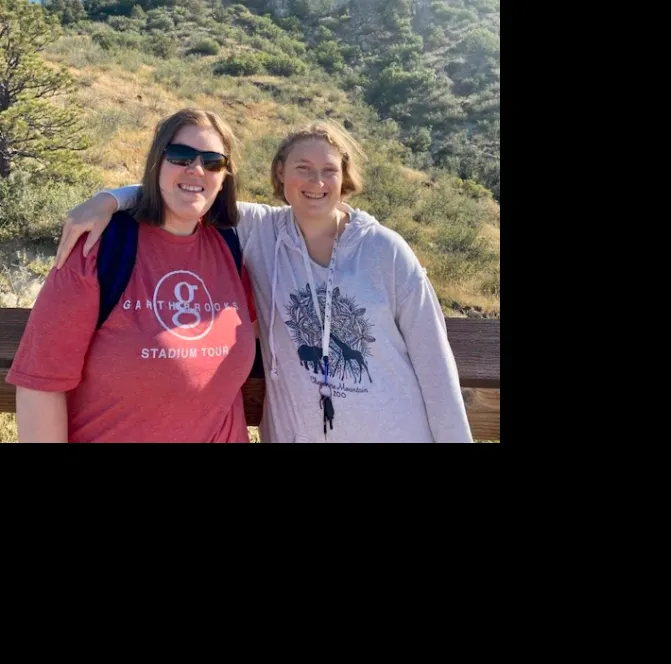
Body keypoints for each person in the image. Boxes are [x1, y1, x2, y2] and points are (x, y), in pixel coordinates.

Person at [52, 120, 472, 443]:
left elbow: (436, 366)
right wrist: (109, 199)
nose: (316, 182)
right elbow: (190, 189)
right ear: (280, 174)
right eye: (302, 168)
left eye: (329, 170)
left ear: (345, 177)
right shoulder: (260, 231)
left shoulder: (386, 250)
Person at [6, 108, 257, 443]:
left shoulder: (231, 246)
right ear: (157, 162)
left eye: (212, 161)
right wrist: (108, 199)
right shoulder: (100, 248)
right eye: (180, 156)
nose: (196, 168)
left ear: (225, 175)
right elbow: (39, 384)